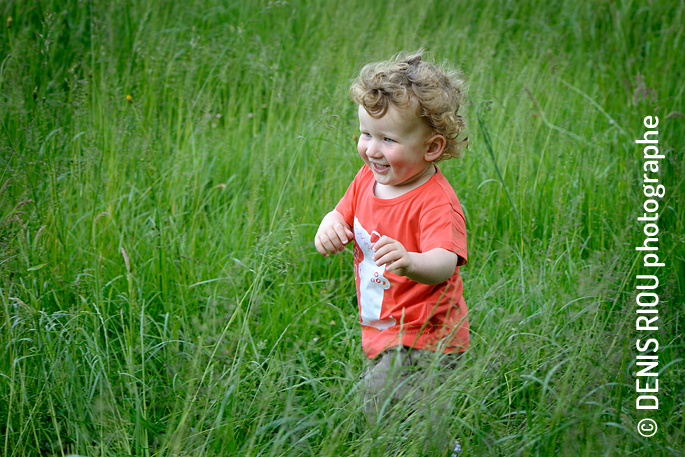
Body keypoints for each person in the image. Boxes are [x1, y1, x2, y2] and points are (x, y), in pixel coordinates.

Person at [314, 50, 469, 454]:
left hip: (426, 332)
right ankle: (440, 446)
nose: (372, 150)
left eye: (388, 139)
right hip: (383, 324)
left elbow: (444, 262)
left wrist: (411, 260)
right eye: (366, 134)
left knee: (377, 398)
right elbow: (342, 212)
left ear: (432, 147)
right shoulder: (369, 177)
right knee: (411, 410)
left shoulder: (435, 202)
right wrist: (330, 224)